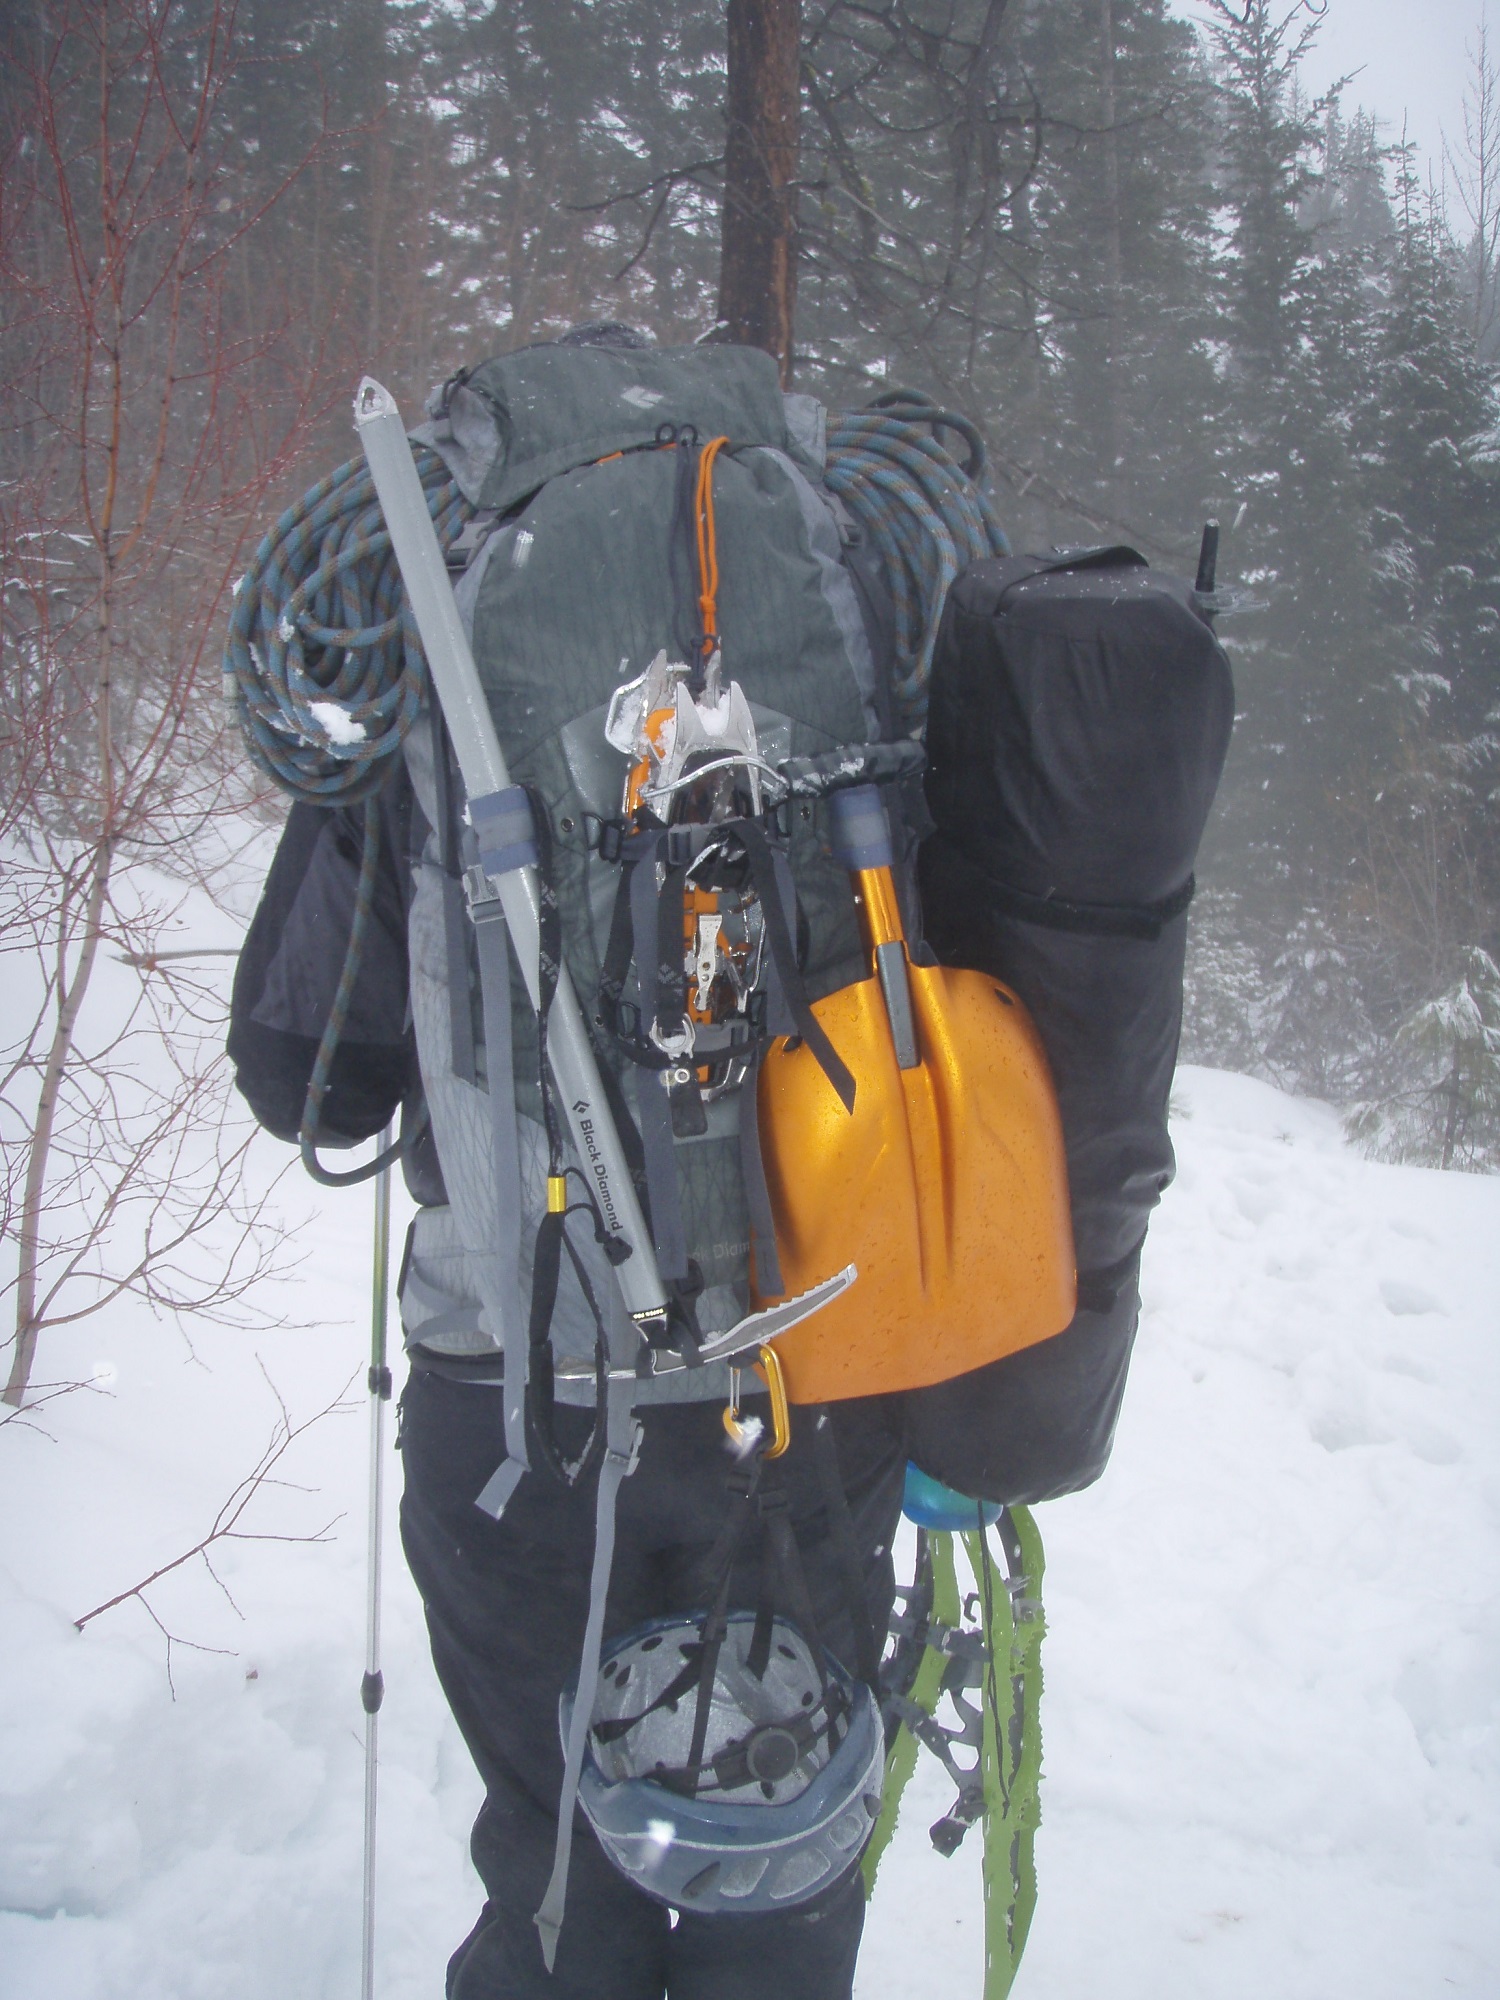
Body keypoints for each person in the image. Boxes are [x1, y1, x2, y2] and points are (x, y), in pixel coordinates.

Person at [229, 324, 910, 2000]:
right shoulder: (860, 605)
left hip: (521, 1409)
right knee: (789, 1865)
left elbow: (297, 1078)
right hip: (824, 1376)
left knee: (558, 1871)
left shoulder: (431, 642)